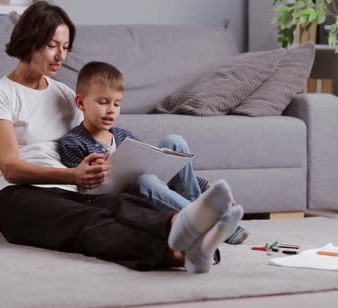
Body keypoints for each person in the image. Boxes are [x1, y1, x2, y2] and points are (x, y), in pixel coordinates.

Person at [0, 1, 244, 273]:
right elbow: (10, 167)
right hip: (20, 197)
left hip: (69, 190)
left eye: (65, 47)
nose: (60, 56)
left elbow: (91, 140)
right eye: (52, 45)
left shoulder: (65, 95)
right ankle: (177, 253)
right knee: (91, 222)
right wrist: (73, 175)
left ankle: (183, 227)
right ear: (30, 41)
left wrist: (100, 168)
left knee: (121, 203)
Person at [58, 61, 249, 244]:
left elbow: (151, 164)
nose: (111, 110)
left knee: (175, 141)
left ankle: (195, 211)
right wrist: (97, 171)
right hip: (122, 199)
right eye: (103, 102)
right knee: (145, 180)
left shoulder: (125, 136)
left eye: (116, 104)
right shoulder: (72, 142)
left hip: (150, 189)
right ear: (81, 103)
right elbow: (78, 185)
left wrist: (205, 184)